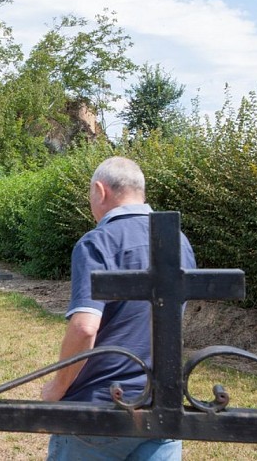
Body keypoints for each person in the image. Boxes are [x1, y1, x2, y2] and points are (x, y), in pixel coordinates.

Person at [42, 156, 196, 460]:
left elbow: (85, 327)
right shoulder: (178, 242)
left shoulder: (98, 242)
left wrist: (57, 386)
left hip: (100, 407)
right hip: (161, 406)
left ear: (100, 191)